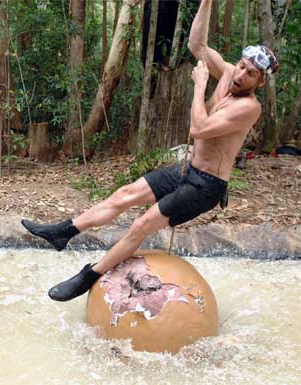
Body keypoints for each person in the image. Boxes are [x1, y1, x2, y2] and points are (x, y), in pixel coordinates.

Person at [21, 0, 278, 302]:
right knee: (125, 194)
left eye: (250, 74)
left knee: (141, 224)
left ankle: (87, 277)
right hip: (188, 170)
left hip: (206, 186)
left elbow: (199, 129)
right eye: (242, 66)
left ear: (260, 82)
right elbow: (197, 44)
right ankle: (63, 232)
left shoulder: (249, 108)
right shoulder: (227, 73)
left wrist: (199, 87)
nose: (240, 75)